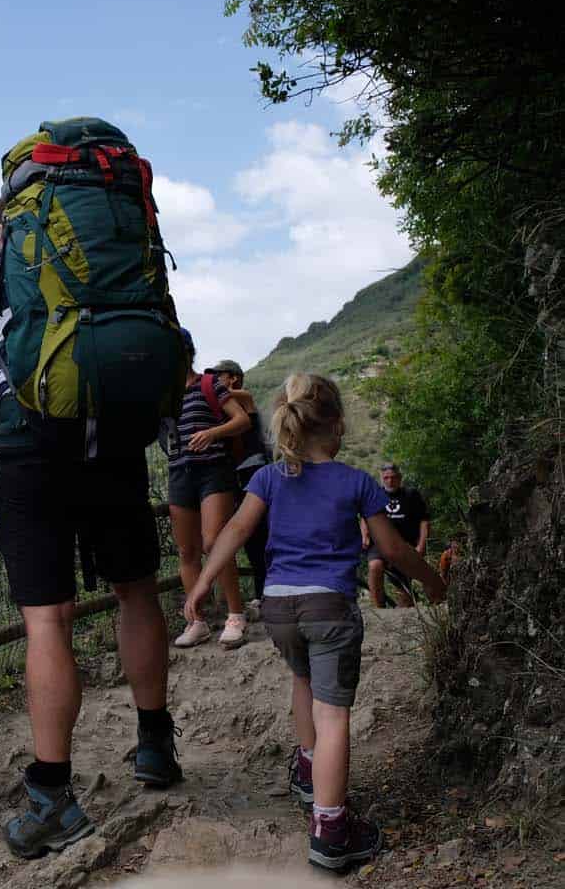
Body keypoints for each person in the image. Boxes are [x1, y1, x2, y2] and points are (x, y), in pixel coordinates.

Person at [0, 200, 181, 860]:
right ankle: (154, 746)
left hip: (29, 452)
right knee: (135, 591)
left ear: (5, 224)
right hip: (113, 445)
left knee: (47, 622)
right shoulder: (117, 262)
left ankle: (54, 795)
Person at [185, 373, 439, 873]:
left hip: (278, 606)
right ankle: (331, 829)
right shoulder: (356, 481)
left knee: (303, 682)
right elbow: (390, 549)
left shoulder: (269, 477)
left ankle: (307, 770)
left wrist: (201, 584)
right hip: (328, 607)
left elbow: (236, 529)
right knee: (333, 715)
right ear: (337, 426)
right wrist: (432, 581)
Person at [168, 336, 252, 649]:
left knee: (215, 542)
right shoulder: (164, 394)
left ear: (185, 353)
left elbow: (242, 420)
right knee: (187, 551)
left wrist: (212, 432)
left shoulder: (209, 384)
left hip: (213, 470)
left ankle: (235, 615)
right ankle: (197, 622)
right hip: (179, 473)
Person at [210, 358, 271, 620]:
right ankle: (262, 596)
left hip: (254, 472)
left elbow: (207, 395)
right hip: (237, 475)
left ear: (233, 378)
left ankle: (265, 596)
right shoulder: (227, 404)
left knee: (260, 537)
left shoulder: (243, 397)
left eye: (218, 376)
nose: (214, 382)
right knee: (250, 541)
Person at [359, 463, 432, 607]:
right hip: (379, 543)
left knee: (405, 598)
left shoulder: (411, 495)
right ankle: (378, 607)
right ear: (382, 478)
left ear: (400, 478)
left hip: (404, 544)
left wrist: (421, 545)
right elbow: (365, 517)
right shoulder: (375, 494)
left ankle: (408, 607)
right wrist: (365, 535)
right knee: (375, 566)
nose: (390, 481)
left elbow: (424, 521)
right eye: (386, 478)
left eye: (393, 478)